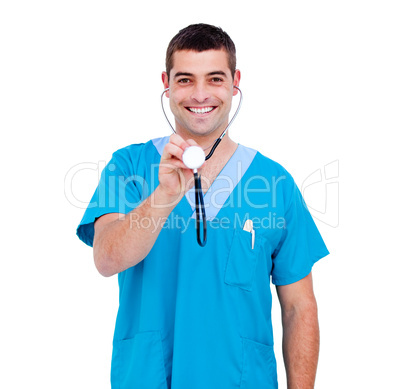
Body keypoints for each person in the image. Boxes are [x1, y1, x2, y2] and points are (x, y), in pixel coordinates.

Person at [77, 23, 329, 389]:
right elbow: (106, 259)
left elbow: (298, 307)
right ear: (166, 83)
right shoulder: (128, 166)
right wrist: (164, 195)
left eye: (214, 78)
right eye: (184, 79)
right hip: (148, 378)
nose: (199, 94)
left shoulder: (275, 183)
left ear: (234, 82)